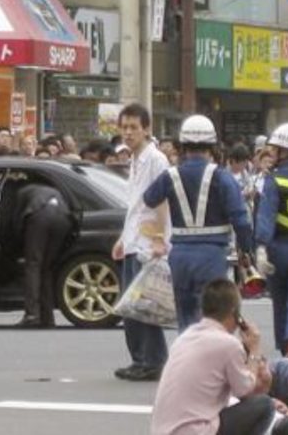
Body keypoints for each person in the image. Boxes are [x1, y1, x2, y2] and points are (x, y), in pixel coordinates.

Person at [144, 115, 253, 330]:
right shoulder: (222, 177)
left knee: (185, 319)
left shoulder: (171, 175)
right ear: (212, 146)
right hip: (212, 255)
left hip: (180, 256)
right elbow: (241, 218)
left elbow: (149, 199)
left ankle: (189, 360)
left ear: (183, 146)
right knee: (215, 318)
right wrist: (246, 249)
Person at [151, 279, 274, 435]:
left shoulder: (184, 337)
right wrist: (254, 350)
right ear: (235, 314)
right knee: (264, 405)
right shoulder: (228, 344)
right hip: (195, 430)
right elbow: (245, 391)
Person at [111, 103, 171, 381]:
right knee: (130, 305)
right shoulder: (134, 159)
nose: (128, 133)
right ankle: (139, 359)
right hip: (134, 240)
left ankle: (154, 361)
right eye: (124, 127)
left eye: (134, 127)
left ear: (147, 129)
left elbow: (160, 202)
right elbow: (134, 205)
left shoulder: (156, 159)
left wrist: (159, 239)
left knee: (144, 305)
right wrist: (122, 238)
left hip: (149, 243)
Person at [0, 180, 73, 328]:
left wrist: (17, 244)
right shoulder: (50, 189)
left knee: (33, 264)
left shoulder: (20, 193)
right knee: (46, 268)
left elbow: (17, 220)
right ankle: (47, 316)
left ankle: (32, 314)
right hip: (64, 217)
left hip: (39, 216)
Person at [254, 123, 288, 356]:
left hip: (278, 251)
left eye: (277, 150)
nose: (273, 155)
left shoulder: (274, 181)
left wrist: (260, 247)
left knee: (280, 305)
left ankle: (285, 351)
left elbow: (266, 217)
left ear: (286, 152)